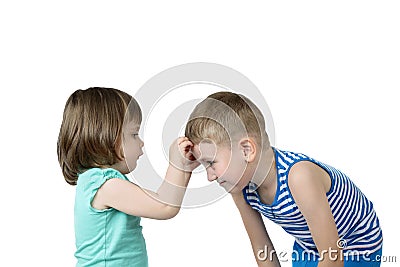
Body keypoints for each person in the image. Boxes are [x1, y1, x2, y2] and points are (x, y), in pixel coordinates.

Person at [185, 91, 383, 267]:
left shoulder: (299, 177)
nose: (210, 176)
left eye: (211, 163)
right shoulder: (240, 187)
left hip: (355, 248)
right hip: (309, 246)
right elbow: (262, 249)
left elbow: (333, 257)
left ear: (246, 150)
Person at [57, 87, 198, 267]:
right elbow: (164, 206)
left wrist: (185, 168)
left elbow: (165, 201)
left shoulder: (97, 182)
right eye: (134, 134)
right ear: (105, 136)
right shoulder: (105, 185)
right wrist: (177, 164)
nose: (141, 142)